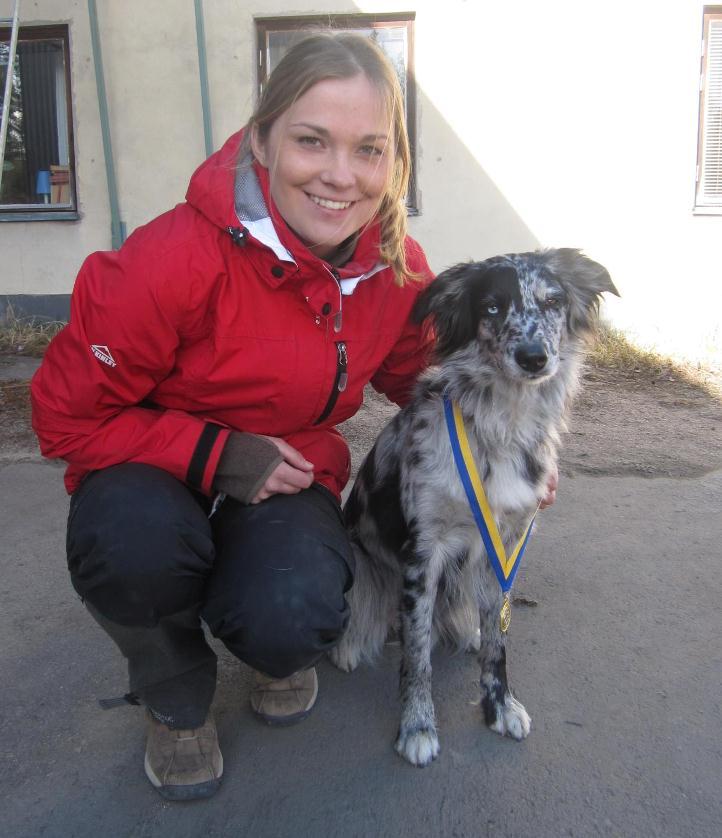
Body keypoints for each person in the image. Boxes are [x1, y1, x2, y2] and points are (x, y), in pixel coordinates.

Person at [32, 32, 557, 801]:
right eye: (313, 141)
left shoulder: (395, 268)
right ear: (263, 140)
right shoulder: (171, 259)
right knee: (132, 550)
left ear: (394, 161)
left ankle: (274, 652)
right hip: (148, 470)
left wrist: (518, 456)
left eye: (369, 149)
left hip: (293, 473)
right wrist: (220, 455)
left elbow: (432, 382)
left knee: (299, 605)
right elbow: (63, 418)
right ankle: (176, 698)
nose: (341, 176)